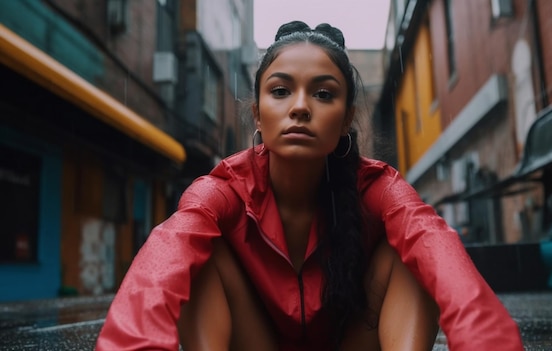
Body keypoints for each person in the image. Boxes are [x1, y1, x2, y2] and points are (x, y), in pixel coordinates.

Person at [96, 21, 523, 350]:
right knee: (198, 253)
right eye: (281, 91)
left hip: (351, 343)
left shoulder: (377, 187)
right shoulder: (223, 188)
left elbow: (440, 253)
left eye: (323, 94)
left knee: (412, 252)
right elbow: (160, 266)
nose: (300, 107)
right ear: (259, 115)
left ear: (345, 119)